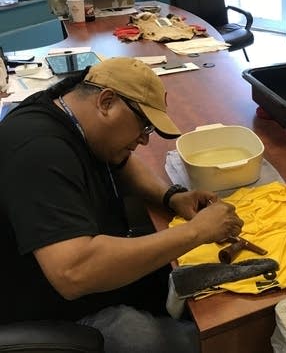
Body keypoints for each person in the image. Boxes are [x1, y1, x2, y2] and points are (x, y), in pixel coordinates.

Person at [0, 57, 244, 352]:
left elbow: (121, 159)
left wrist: (172, 197)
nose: (143, 140)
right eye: (143, 125)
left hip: (76, 270)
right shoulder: (38, 151)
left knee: (192, 284)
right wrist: (197, 232)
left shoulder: (65, 111)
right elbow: (74, 272)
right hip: (45, 307)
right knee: (198, 339)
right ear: (106, 102)